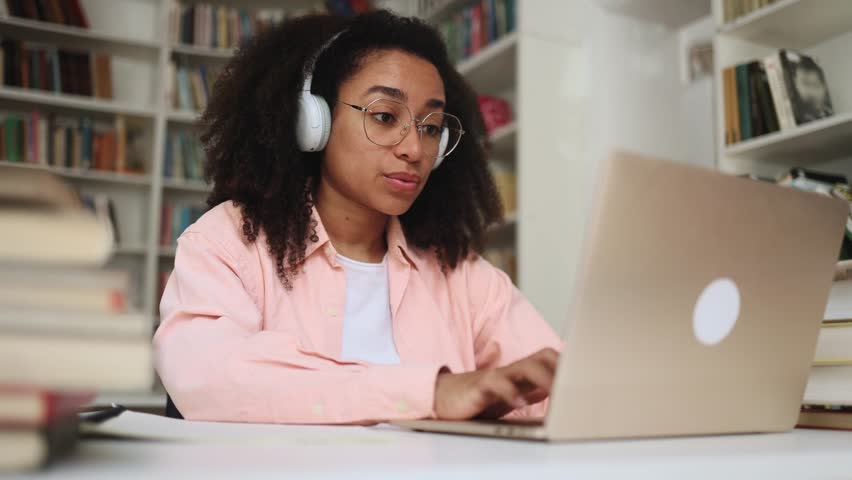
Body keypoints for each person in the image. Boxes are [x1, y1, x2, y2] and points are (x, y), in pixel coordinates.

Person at [153, 9, 561, 425]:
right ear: (315, 122)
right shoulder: (228, 242)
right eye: (385, 117)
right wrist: (432, 394)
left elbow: (559, 388)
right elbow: (211, 379)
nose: (414, 150)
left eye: (432, 127)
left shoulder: (462, 275)